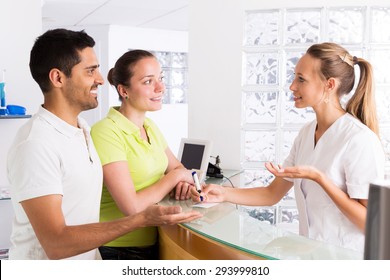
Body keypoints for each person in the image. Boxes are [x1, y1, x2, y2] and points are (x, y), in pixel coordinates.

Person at [6, 29, 202, 260]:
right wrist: (141, 218)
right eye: (90, 71)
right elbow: (56, 243)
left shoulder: (82, 129)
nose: (100, 79)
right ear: (58, 78)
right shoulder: (35, 145)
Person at [192, 42, 385, 252]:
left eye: (301, 79)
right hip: (313, 257)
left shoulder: (358, 139)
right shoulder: (306, 133)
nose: (292, 86)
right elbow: (271, 194)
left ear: (329, 85)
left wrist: (320, 178)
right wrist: (224, 193)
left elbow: (372, 224)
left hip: (346, 261)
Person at [90, 50, 194, 260]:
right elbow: (132, 206)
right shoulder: (106, 131)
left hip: (154, 239)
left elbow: (178, 168)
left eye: (160, 78)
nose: (160, 87)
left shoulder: (149, 126)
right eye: (148, 81)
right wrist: (175, 179)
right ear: (124, 90)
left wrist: (182, 179)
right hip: (119, 249)